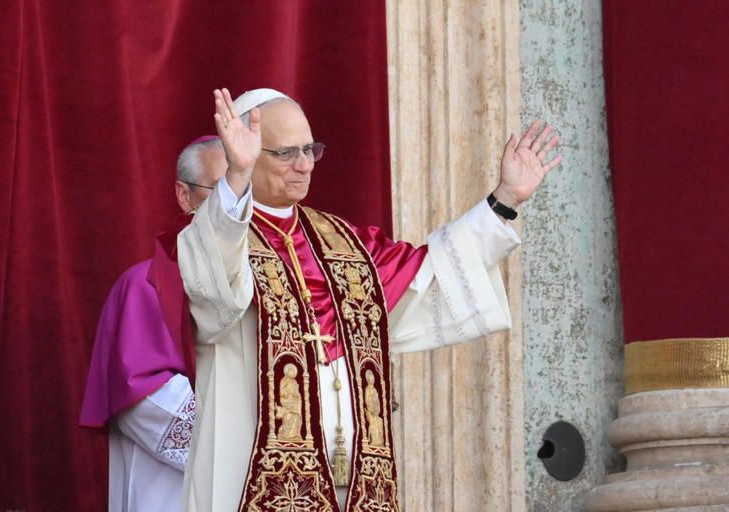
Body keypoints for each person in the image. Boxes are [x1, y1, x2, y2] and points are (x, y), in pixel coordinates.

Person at [177, 88, 562, 511]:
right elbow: (214, 290)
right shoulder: (219, 234)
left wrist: (504, 200)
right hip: (250, 479)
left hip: (356, 480)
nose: (304, 165)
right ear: (248, 153)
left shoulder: (345, 243)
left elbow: (430, 273)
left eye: (309, 149)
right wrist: (235, 178)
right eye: (286, 153)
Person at [79, 136, 227, 512]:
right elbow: (144, 398)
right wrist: (241, 443)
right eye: (222, 189)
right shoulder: (146, 285)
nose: (236, 206)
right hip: (170, 491)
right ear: (184, 196)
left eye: (246, 192)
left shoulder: (278, 285)